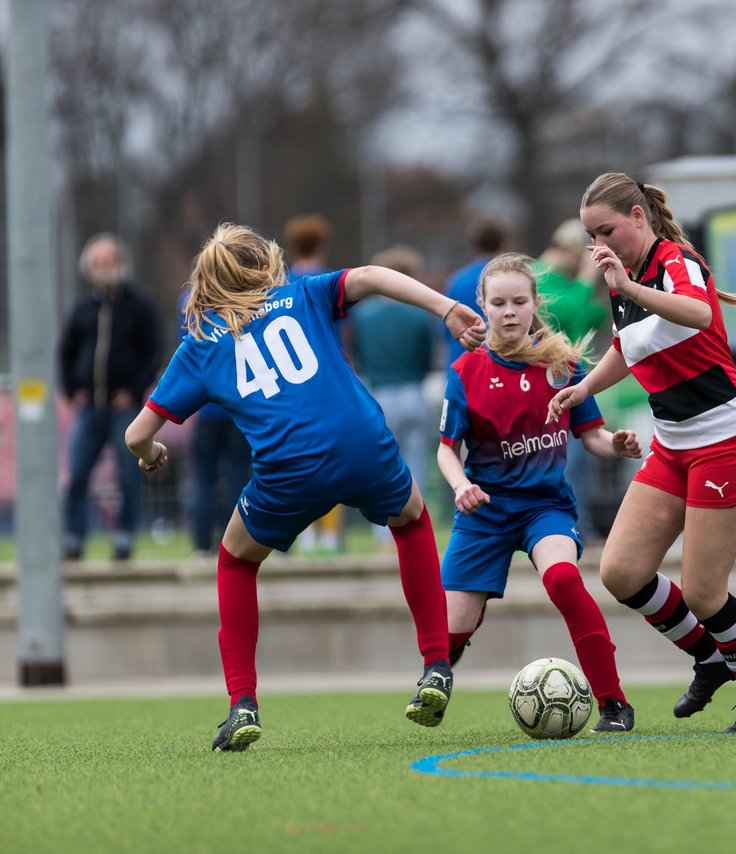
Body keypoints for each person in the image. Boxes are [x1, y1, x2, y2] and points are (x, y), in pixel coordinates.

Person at [124, 223, 486, 752]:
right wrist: (445, 309)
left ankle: (242, 703)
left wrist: (149, 454)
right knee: (410, 520)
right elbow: (371, 275)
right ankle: (435, 664)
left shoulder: (201, 342)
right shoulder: (303, 293)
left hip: (289, 468)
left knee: (235, 561)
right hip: (362, 442)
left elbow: (137, 434)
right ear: (266, 263)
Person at [548, 173, 736, 734]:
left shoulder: (675, 261)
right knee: (622, 572)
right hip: (674, 445)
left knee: (704, 591)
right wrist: (583, 389)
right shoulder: (620, 275)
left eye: (606, 231)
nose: (599, 245)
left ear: (638, 216)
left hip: (727, 442)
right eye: (590, 237)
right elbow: (631, 348)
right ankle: (710, 658)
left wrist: (627, 288)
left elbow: (697, 313)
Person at [439, 252, 643, 732]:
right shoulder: (465, 371)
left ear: (534, 305)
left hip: (544, 507)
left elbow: (590, 435)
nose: (509, 311)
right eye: (499, 303)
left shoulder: (562, 363)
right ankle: (436, 678)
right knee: (448, 631)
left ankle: (615, 704)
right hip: (484, 511)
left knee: (564, 582)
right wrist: (460, 484)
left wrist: (613, 443)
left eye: (518, 302)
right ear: (483, 307)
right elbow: (447, 449)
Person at [58, 233, 161, 561]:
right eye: (99, 263)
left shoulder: (139, 306)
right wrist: (72, 390)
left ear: (121, 264)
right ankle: (73, 537)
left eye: (110, 262)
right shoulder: (82, 309)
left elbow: (153, 352)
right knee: (77, 473)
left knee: (129, 474)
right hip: (90, 407)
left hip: (124, 408)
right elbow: (65, 353)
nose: (105, 269)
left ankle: (124, 538)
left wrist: (132, 391)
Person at [348, 246, 439, 541]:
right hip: (413, 391)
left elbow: (357, 355)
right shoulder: (418, 315)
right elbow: (427, 358)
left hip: (378, 394)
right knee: (415, 466)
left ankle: (383, 535)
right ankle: (415, 531)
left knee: (382, 468)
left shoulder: (362, 315)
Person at [534, 218, 611, 541]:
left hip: (573, 376)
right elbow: (564, 312)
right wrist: (586, 277)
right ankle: (564, 528)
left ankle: (580, 525)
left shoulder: (566, 280)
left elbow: (589, 318)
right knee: (567, 461)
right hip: (550, 383)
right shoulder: (541, 275)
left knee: (581, 461)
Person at [282, 214, 344, 553]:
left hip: (293, 383)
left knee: (299, 457)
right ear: (320, 244)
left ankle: (304, 532)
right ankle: (331, 535)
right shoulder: (328, 280)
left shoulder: (284, 283)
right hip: (329, 379)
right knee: (334, 456)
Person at [177, 286, 252, 557]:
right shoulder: (241, 296)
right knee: (238, 475)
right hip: (237, 404)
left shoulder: (190, 302)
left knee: (204, 478)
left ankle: (201, 543)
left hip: (206, 405)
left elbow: (186, 352)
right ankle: (237, 542)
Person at [443, 219, 509, 367]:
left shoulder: (457, 280)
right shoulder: (510, 279)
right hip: (499, 367)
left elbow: (445, 327)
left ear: (475, 246)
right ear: (503, 244)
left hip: (461, 362)